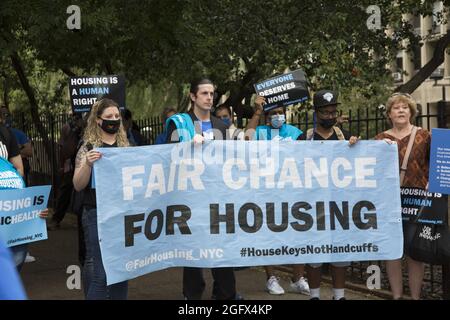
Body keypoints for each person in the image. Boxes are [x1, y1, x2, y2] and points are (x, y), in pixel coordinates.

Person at [166, 78, 240, 300]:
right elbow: (168, 157)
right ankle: (191, 296)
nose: (210, 98)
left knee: (222, 254)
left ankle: (225, 296)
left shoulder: (222, 126)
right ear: (192, 96)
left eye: (212, 94)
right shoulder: (179, 123)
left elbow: (232, 162)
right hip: (191, 199)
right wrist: (188, 145)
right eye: (205, 93)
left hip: (218, 198)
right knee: (193, 254)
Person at [245, 96, 310, 295]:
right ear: (267, 117)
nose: (277, 116)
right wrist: (257, 111)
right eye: (273, 113)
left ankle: (297, 278)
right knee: (269, 235)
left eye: (280, 112)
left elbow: (309, 153)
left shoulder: (294, 132)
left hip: (292, 190)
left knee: (298, 233)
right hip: (266, 191)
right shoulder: (261, 132)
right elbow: (246, 139)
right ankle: (271, 278)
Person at [299, 89, 358, 300]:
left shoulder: (346, 137)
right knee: (314, 252)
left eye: (333, 112)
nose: (330, 116)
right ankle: (314, 295)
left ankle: (338, 296)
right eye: (325, 112)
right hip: (312, 205)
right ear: (316, 113)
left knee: (340, 251)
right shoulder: (304, 138)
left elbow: (363, 161)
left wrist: (358, 147)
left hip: (340, 204)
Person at [374, 92, 429, 300]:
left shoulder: (425, 135)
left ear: (411, 112)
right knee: (392, 251)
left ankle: (415, 297)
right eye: (396, 108)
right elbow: (369, 168)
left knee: (415, 252)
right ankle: (396, 296)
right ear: (389, 114)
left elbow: (437, 165)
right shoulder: (380, 139)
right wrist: (354, 143)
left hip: (417, 202)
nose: (400, 110)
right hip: (389, 203)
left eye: (405, 107)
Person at [73, 98, 129, 300]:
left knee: (122, 270)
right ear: (98, 120)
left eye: (116, 116)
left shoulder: (125, 147)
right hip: (96, 213)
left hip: (121, 214)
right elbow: (78, 185)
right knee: (100, 273)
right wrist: (87, 164)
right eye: (109, 117)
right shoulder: (88, 147)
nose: (114, 120)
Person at [48, 113, 84, 230]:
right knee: (65, 192)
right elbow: (63, 148)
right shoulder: (68, 127)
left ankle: (83, 220)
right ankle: (56, 219)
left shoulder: (90, 126)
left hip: (86, 163)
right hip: (71, 164)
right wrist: (62, 165)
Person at [0, 106, 32, 186]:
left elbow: (19, 170)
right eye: (3, 114)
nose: (4, 117)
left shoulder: (8, 134)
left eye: (6, 114)